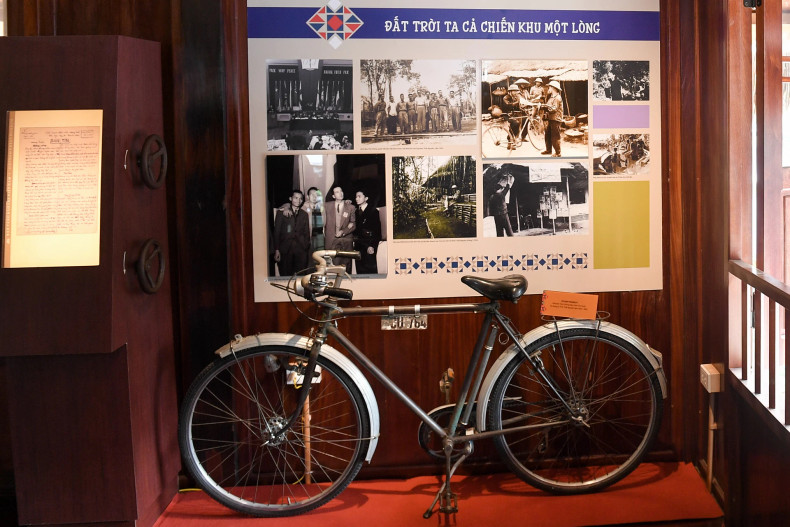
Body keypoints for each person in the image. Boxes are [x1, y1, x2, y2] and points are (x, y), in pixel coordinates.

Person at [273, 189, 310, 276]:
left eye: (300, 198)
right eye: (296, 198)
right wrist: (277, 249)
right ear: (290, 198)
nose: (298, 200)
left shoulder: (304, 214)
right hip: (285, 250)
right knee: (285, 276)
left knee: (301, 277)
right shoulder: (281, 213)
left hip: (300, 251)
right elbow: (277, 232)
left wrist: (305, 247)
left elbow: (306, 233)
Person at [324, 184, 356, 273]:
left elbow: (353, 224)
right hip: (332, 241)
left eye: (341, 191)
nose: (340, 193)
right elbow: (310, 205)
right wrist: (287, 205)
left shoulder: (350, 207)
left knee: (346, 268)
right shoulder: (326, 206)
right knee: (333, 268)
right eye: (337, 192)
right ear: (334, 196)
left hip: (346, 241)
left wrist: (343, 231)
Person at [353, 189, 381, 274]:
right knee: (360, 273)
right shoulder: (355, 212)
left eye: (359, 196)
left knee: (370, 272)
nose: (357, 199)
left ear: (366, 198)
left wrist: (372, 246)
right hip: (359, 247)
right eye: (356, 197)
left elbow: (377, 231)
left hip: (369, 246)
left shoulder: (373, 211)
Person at [542, 80, 564, 157]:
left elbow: (553, 109)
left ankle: (558, 153)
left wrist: (544, 107)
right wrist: (543, 106)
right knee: (547, 135)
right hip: (551, 119)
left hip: (556, 119)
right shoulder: (551, 97)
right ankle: (548, 150)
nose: (548, 89)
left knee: (555, 136)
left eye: (549, 87)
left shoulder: (557, 98)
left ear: (553, 88)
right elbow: (548, 106)